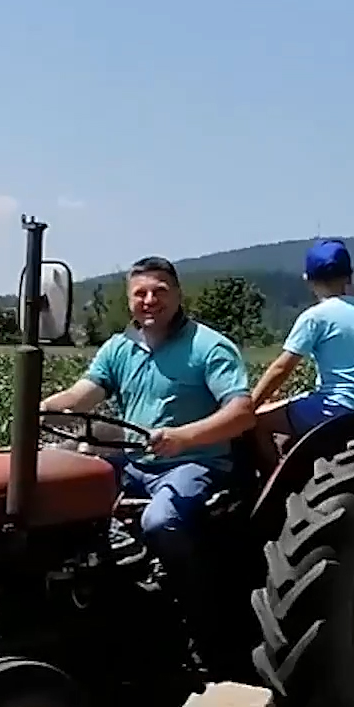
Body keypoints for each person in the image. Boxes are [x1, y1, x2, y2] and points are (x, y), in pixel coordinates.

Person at [40, 255, 255, 601]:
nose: (150, 301)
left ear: (178, 295)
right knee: (63, 496)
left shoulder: (208, 346)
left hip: (193, 463)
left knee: (161, 521)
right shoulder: (121, 347)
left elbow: (242, 413)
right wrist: (46, 408)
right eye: (140, 293)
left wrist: (183, 438)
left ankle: (193, 598)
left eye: (160, 291)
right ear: (129, 300)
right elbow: (83, 394)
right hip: (135, 463)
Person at [246, 238, 354, 465]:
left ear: (308, 279)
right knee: (285, 410)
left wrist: (249, 406)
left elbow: (282, 367)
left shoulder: (315, 317)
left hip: (337, 407)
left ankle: (273, 486)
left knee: (258, 422)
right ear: (349, 277)